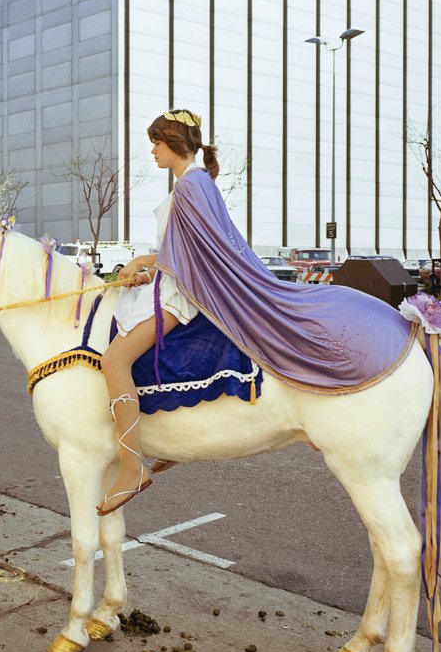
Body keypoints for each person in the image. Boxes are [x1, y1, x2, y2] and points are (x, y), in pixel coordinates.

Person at [97, 109, 417, 515]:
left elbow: (196, 255)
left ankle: (130, 467)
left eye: (157, 141)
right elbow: (191, 251)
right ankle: (175, 441)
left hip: (179, 296)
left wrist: (145, 261)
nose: (153, 150)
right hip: (172, 285)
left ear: (176, 143)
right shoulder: (196, 183)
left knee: (114, 360)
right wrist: (147, 267)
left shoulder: (192, 187)